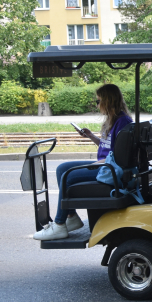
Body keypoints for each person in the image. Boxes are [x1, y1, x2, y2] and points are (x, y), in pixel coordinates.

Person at [34, 84, 133, 241]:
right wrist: (91, 137)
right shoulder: (112, 120)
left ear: (108, 101)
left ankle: (59, 225)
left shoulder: (123, 122)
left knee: (68, 175)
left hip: (109, 169)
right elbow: (108, 146)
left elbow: (119, 155)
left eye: (98, 101)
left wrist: (98, 164)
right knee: (62, 169)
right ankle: (72, 217)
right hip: (104, 164)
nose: (97, 104)